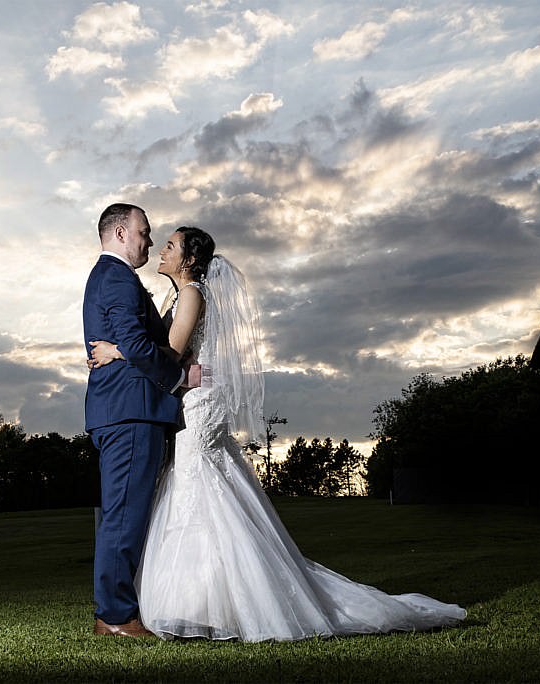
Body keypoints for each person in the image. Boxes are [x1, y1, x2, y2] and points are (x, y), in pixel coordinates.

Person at [88, 226, 467, 641]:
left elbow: (172, 353)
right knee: (189, 488)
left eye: (171, 246)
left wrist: (115, 351)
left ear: (190, 260)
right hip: (188, 399)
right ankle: (194, 600)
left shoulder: (193, 293)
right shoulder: (177, 295)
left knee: (201, 487)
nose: (162, 248)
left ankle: (213, 603)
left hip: (198, 404)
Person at [82, 203, 187, 638]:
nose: (148, 240)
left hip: (126, 411)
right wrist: (181, 377)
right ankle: (115, 615)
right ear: (121, 232)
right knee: (124, 516)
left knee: (127, 513)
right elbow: (136, 344)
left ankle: (119, 607)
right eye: (144, 232)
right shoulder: (117, 277)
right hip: (130, 411)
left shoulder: (112, 277)